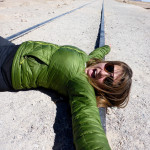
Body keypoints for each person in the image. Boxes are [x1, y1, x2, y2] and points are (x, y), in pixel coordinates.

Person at [0, 40, 132, 150]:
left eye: (108, 81)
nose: (102, 73)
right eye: (109, 68)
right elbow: (97, 54)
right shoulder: (90, 61)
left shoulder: (82, 85)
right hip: (16, 49)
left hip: (9, 67)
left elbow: (88, 120)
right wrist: (105, 48)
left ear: (105, 91)